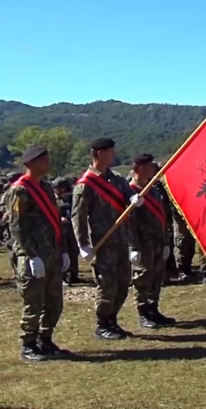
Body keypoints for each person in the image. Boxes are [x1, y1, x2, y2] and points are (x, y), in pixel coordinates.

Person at [72, 137, 144, 340]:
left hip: (120, 240)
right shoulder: (85, 184)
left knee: (122, 283)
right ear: (100, 154)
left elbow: (128, 193)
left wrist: (133, 198)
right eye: (111, 151)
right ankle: (102, 324)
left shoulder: (116, 179)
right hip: (101, 243)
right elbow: (78, 217)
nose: (114, 154)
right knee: (106, 285)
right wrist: (83, 244)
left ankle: (112, 320)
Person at [8, 146, 71, 361]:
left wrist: (62, 249)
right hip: (32, 255)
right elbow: (17, 226)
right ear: (31, 164)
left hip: (51, 252)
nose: (48, 162)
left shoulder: (45, 187)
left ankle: (45, 340)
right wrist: (31, 255)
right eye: (43, 160)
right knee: (33, 303)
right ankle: (28, 345)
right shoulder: (20, 190)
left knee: (54, 301)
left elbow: (54, 220)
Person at [128, 154, 175, 328]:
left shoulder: (153, 189)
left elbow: (161, 217)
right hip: (142, 243)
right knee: (142, 278)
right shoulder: (130, 191)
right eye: (149, 166)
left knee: (156, 276)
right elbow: (129, 222)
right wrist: (133, 247)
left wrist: (165, 242)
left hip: (157, 240)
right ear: (139, 168)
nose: (153, 169)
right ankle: (143, 313)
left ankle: (153, 309)